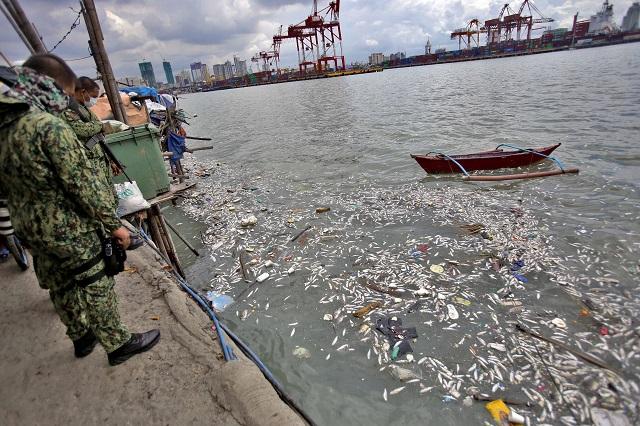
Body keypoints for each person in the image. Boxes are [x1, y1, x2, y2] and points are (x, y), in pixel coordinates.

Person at [0, 53, 159, 365]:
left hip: (29, 228)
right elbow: (82, 185)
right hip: (67, 227)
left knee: (60, 284)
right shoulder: (48, 127)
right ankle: (118, 344)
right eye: (65, 93)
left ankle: (81, 337)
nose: (65, 101)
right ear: (52, 86)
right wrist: (113, 225)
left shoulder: (4, 126)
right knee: (95, 280)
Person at [62, 76, 143, 250]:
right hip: (89, 165)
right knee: (101, 201)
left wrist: (112, 161)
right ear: (82, 91)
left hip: (100, 160)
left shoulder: (84, 108)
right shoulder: (67, 109)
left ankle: (114, 232)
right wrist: (101, 126)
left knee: (111, 198)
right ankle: (111, 235)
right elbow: (82, 130)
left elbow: (98, 134)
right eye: (92, 95)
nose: (93, 101)